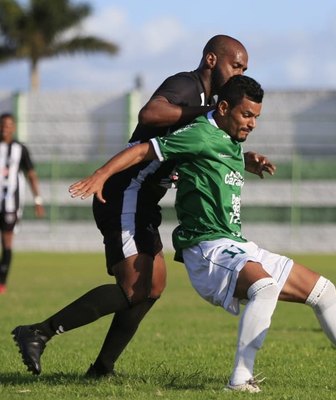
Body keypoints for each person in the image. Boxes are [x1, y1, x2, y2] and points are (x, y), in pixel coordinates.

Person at [67, 75, 336, 392]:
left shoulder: (229, 139)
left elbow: (219, 157)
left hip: (234, 243)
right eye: (246, 115)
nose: (251, 123)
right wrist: (101, 175)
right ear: (223, 108)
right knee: (263, 287)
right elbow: (145, 149)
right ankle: (240, 379)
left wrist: (247, 159)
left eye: (256, 117)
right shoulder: (200, 133)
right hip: (206, 250)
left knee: (324, 291)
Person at [11, 34, 275, 377]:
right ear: (212, 60)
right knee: (136, 285)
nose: (240, 72)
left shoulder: (213, 105)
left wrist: (246, 159)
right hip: (126, 190)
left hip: (145, 199)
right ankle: (39, 332)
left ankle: (102, 368)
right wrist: (102, 174)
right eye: (235, 64)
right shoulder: (188, 85)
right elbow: (150, 112)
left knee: (153, 286)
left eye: (245, 68)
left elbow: (202, 149)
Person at [0, 113, 45, 294]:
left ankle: (1, 282)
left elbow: (31, 175)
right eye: (2, 124)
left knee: (7, 242)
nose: (5, 128)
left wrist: (38, 200)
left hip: (10, 202)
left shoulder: (20, 149)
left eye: (9, 125)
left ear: (14, 128)